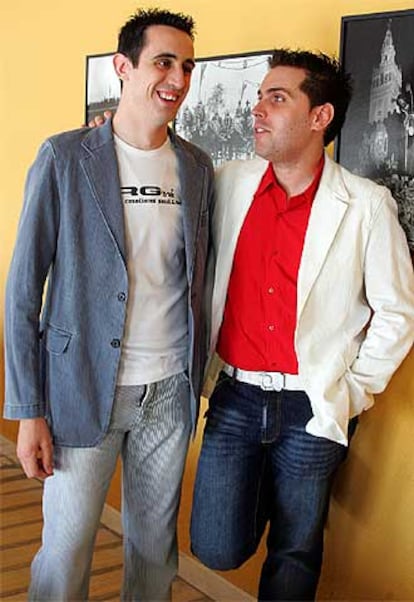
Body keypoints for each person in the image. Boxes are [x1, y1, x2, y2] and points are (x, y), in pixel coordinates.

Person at [4, 8, 214, 601]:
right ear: (123, 67)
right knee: (66, 548)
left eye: (187, 66)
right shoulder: (64, 157)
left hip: (168, 389)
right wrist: (29, 410)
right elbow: (22, 291)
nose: (178, 78)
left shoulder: (197, 167)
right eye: (164, 62)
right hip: (82, 384)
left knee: (153, 550)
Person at [190, 49, 414, 601]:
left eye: (277, 98)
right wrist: (110, 138)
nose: (257, 109)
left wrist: (351, 392)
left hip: (313, 402)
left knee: (295, 549)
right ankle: (269, 488)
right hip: (235, 397)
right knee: (216, 546)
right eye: (259, 96)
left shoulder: (366, 205)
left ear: (320, 116)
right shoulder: (228, 183)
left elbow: (397, 313)